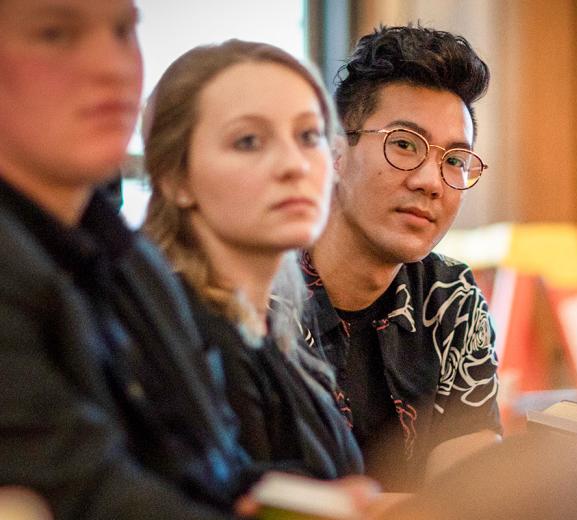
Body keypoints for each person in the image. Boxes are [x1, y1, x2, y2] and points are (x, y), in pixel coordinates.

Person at [0, 1, 373, 518]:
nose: (111, 65)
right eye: (55, 33)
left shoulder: (126, 262)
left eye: (123, 31)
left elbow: (202, 462)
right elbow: (88, 494)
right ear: (174, 180)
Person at [142, 40, 366, 482]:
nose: (294, 165)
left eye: (308, 136)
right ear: (175, 178)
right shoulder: (188, 342)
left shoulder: (269, 329)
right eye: (248, 141)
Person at [302, 24, 502, 491]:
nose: (431, 181)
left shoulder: (451, 299)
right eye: (405, 145)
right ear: (335, 152)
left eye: (454, 160)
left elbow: (467, 493)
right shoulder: (259, 297)